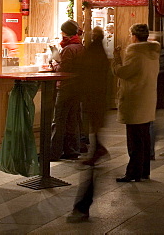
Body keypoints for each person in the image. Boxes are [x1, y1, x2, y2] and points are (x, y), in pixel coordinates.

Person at [67, 27, 112, 222]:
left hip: (93, 106)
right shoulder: (100, 55)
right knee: (95, 141)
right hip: (98, 108)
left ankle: (82, 208)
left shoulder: (91, 55)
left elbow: (85, 78)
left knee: (91, 169)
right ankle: (97, 150)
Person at [114, 23, 160, 182]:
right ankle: (144, 170)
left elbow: (123, 72)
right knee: (144, 137)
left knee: (134, 140)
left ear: (134, 36)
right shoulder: (152, 53)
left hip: (135, 101)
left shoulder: (136, 53)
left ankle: (133, 172)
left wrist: (116, 60)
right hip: (147, 99)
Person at [49, 19, 85, 161]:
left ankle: (54, 152)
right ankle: (72, 150)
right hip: (77, 88)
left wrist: (55, 63)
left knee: (59, 119)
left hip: (66, 87)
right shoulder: (80, 46)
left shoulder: (69, 49)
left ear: (65, 33)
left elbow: (63, 70)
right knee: (72, 120)